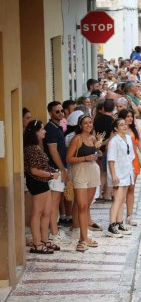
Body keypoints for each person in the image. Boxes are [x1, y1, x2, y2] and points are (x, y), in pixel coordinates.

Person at [65, 114, 102, 252]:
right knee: (81, 205)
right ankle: (82, 238)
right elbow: (68, 158)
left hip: (93, 170)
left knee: (87, 206)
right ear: (80, 125)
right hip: (80, 171)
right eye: (85, 123)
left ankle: (85, 236)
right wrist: (86, 157)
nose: (88, 125)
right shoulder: (77, 138)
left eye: (90, 122)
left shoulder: (93, 138)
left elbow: (95, 155)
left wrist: (97, 151)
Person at [23, 120, 59, 254]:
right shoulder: (31, 149)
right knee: (37, 212)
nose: (45, 131)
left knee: (46, 212)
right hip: (36, 182)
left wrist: (52, 173)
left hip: (43, 181)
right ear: (35, 132)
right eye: (42, 129)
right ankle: (37, 243)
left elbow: (42, 166)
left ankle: (44, 239)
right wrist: (51, 174)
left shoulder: (37, 146)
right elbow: (34, 171)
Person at [44, 101, 70, 244]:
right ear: (50, 113)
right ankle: (54, 233)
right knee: (54, 204)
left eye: (61, 111)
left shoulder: (57, 127)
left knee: (56, 202)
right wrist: (62, 170)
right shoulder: (51, 129)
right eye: (57, 111)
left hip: (59, 168)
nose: (60, 113)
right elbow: (53, 152)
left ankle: (55, 230)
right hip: (55, 170)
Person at [106, 118, 134, 238]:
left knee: (122, 199)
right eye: (121, 125)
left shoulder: (128, 138)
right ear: (116, 128)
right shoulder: (114, 141)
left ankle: (119, 222)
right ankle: (111, 226)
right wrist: (113, 175)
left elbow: (130, 155)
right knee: (117, 199)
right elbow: (111, 159)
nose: (124, 126)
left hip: (126, 172)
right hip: (117, 174)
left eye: (125, 124)